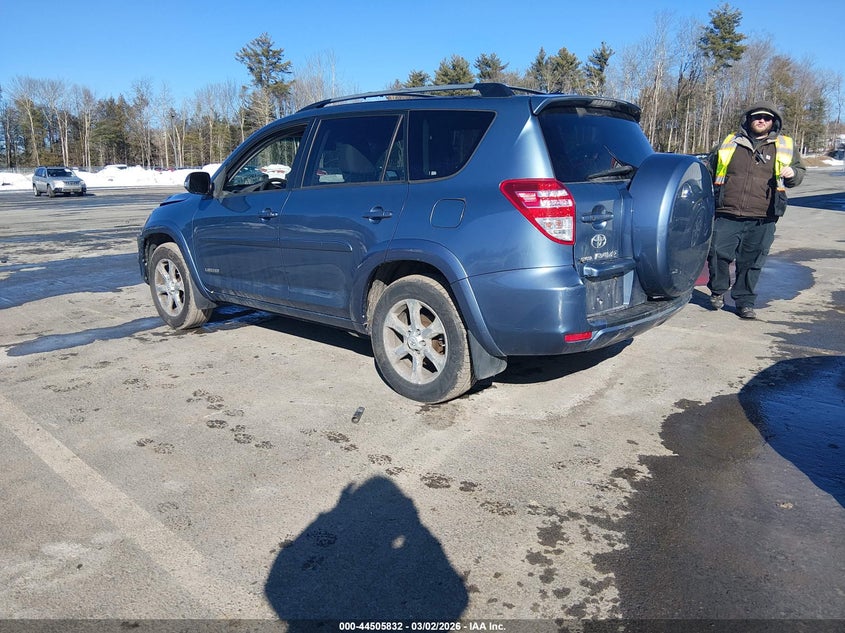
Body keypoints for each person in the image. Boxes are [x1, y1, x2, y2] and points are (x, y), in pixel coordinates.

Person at [706, 101, 806, 319]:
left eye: (767, 118)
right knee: (716, 254)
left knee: (752, 262)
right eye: (757, 116)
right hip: (727, 211)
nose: (761, 120)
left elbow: (799, 171)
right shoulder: (730, 142)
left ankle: (744, 302)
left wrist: (793, 174)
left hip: (763, 216)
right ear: (749, 120)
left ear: (773, 122)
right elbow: (708, 167)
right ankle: (718, 290)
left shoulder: (784, 145)